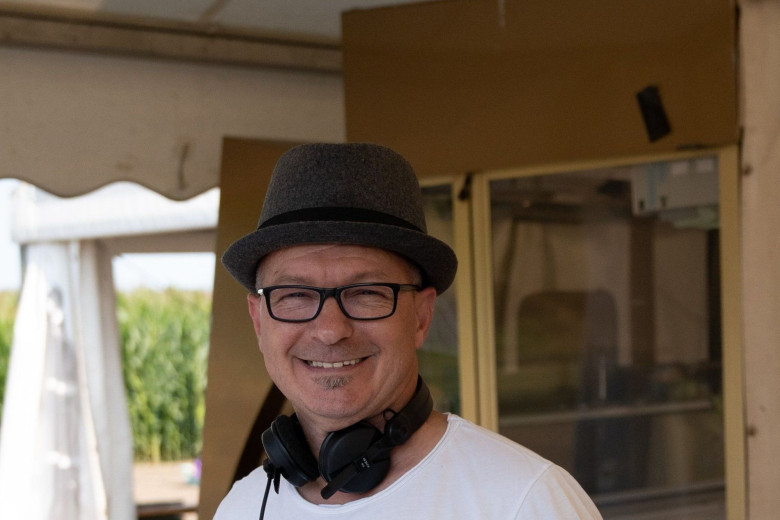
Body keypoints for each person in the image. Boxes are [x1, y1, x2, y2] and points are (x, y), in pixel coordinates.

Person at [214, 142, 602, 519]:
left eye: (366, 293)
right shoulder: (241, 508)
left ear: (421, 316)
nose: (330, 330)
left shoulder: (526, 500)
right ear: (259, 321)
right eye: (295, 295)